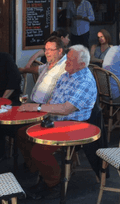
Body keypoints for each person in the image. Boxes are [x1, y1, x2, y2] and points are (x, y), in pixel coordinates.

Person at [17, 45, 97, 200]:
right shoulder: (67, 74)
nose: (65, 61)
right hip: (55, 120)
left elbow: (66, 109)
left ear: (81, 65)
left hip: (73, 125)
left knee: (39, 150)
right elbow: (54, 100)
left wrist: (37, 107)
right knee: (22, 134)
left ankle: (54, 184)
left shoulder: (85, 80)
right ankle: (40, 171)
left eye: (70, 60)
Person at [21, 36, 67, 105]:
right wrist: (24, 70)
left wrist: (42, 109)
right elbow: (38, 69)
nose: (46, 53)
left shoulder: (66, 67)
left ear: (60, 51)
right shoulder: (51, 62)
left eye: (50, 50)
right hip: (34, 104)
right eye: (46, 49)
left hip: (45, 109)